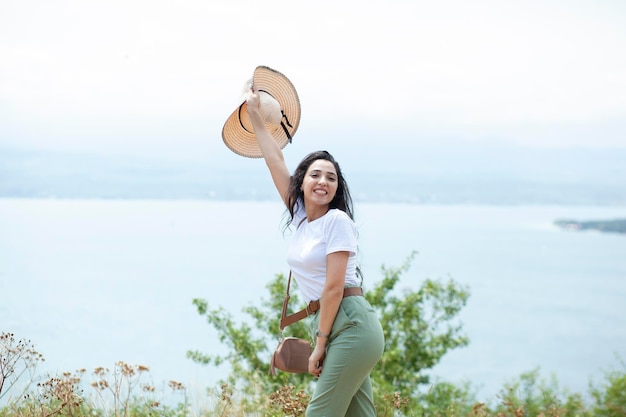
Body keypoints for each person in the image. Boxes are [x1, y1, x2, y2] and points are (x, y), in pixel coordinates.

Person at [245, 87, 385, 417]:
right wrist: (254, 116)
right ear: (302, 182)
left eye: (331, 177)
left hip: (350, 326)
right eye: (316, 174)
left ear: (337, 188)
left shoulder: (337, 221)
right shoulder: (303, 221)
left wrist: (320, 345)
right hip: (335, 327)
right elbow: (275, 160)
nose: (323, 181)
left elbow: (334, 288)